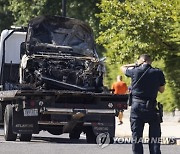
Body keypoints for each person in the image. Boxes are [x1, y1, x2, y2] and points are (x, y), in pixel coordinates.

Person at [120, 54, 165, 154]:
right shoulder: (158, 72)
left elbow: (122, 67)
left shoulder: (134, 71)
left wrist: (136, 64)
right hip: (151, 107)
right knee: (155, 136)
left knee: (136, 137)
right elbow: (162, 90)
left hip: (137, 107)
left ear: (141, 61)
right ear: (150, 61)